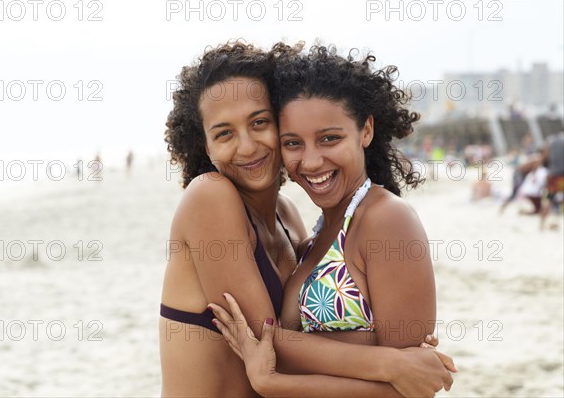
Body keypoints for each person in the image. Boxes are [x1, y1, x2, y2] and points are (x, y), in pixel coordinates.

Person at [161, 41, 455, 397]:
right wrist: (391, 362)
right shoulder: (208, 196)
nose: (248, 145)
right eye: (224, 133)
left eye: (259, 122)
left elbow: (293, 344)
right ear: (205, 147)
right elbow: (267, 342)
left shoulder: (290, 218)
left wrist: (398, 358)